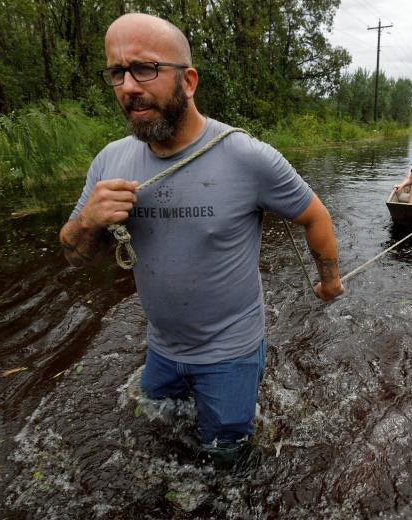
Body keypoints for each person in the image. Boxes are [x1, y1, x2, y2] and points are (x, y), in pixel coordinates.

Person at [58, 13, 344, 458]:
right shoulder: (110, 161)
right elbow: (74, 257)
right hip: (161, 349)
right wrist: (88, 221)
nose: (129, 86)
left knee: (226, 456)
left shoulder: (247, 157)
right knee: (152, 426)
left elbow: (315, 215)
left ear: (188, 81)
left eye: (145, 68)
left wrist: (329, 280)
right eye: (118, 72)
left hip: (231, 352)